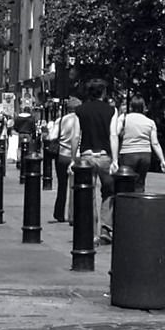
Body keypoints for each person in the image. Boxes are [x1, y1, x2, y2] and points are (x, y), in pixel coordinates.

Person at [70, 79, 118, 245]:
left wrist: (73, 158)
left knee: (88, 194)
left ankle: (90, 232)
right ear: (103, 92)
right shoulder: (112, 110)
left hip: (86, 157)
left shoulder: (80, 110)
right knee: (109, 192)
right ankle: (106, 229)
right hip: (105, 157)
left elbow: (76, 136)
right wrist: (115, 159)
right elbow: (113, 135)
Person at [112, 95, 165, 192]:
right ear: (143, 107)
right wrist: (162, 160)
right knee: (140, 183)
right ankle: (139, 204)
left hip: (128, 153)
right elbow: (155, 143)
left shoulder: (124, 118)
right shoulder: (150, 122)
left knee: (125, 182)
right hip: (145, 154)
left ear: (131, 106)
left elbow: (115, 134)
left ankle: (125, 204)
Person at [50, 97, 81, 223]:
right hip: (78, 155)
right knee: (76, 186)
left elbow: (52, 137)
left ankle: (59, 213)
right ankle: (73, 215)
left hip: (62, 155)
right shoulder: (82, 120)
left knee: (62, 185)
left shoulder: (61, 120)